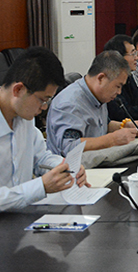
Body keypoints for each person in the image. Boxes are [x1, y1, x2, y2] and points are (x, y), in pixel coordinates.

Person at [0, 47, 89, 211]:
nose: (44, 107)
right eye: (43, 100)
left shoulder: (25, 117)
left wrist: (66, 167)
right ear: (18, 90)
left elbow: (41, 158)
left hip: (24, 218)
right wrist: (40, 187)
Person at [46, 51, 138, 156]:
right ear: (101, 78)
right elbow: (69, 147)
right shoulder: (70, 103)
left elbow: (102, 125)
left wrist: (125, 127)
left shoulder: (98, 95)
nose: (119, 92)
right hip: (71, 165)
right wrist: (112, 139)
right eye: (118, 86)